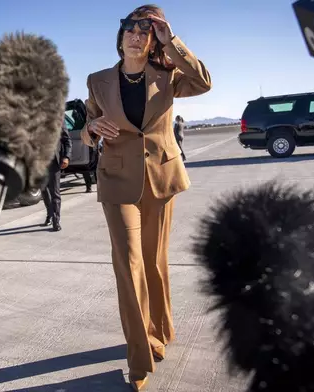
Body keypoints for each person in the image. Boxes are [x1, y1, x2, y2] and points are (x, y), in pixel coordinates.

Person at [80, 5, 211, 390]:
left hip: (161, 178)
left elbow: (203, 82)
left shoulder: (168, 75)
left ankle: (160, 329)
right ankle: (138, 360)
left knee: (155, 262)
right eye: (130, 29)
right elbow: (87, 127)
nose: (136, 35)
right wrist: (91, 128)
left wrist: (175, 43)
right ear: (120, 38)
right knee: (130, 264)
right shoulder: (98, 80)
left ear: (153, 39)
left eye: (145, 31)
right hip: (117, 180)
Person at [42, 122, 71, 231]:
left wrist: (66, 157)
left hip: (53, 161)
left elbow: (67, 140)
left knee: (55, 192)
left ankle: (56, 221)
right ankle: (49, 214)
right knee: (44, 191)